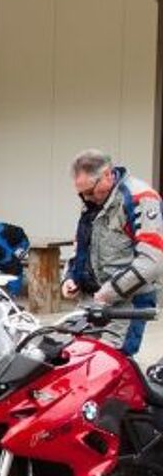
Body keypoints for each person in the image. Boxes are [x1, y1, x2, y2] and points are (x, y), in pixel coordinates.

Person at [61, 149, 163, 356]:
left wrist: (109, 292)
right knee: (72, 355)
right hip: (92, 298)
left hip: (127, 302)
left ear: (107, 175)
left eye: (90, 191)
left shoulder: (140, 198)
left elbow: (152, 260)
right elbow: (82, 244)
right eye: (81, 193)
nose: (86, 198)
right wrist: (70, 276)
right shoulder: (93, 199)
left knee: (110, 360)